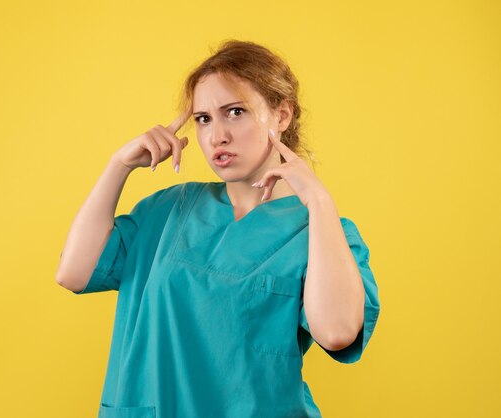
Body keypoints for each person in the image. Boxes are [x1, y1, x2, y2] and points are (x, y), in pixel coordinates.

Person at [56, 39, 380, 418]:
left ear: (282, 115)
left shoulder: (322, 232)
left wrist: (320, 203)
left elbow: (338, 331)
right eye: (203, 119)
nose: (216, 136)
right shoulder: (169, 209)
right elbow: (73, 273)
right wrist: (119, 166)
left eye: (236, 112)